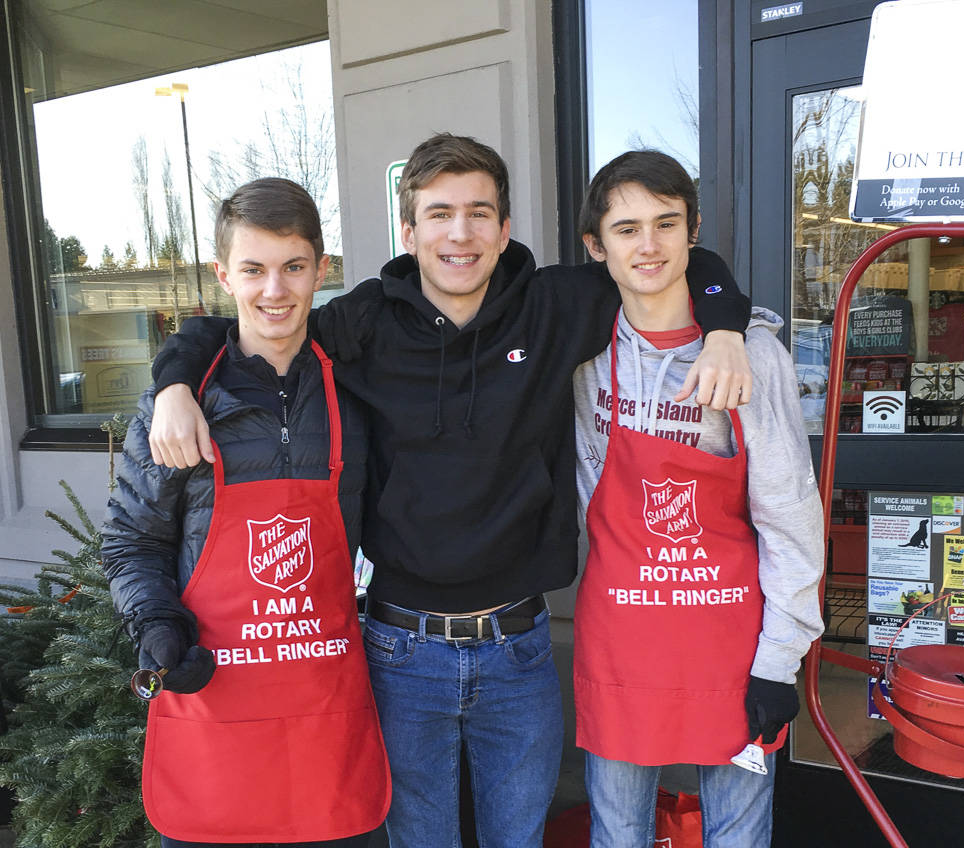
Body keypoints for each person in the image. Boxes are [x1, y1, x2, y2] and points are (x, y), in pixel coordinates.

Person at [144, 134, 753, 848]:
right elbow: (249, 319)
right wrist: (173, 383)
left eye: (478, 213)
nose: (458, 233)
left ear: (503, 228)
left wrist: (725, 331)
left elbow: (676, 259)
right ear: (409, 231)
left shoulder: (555, 306)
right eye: (438, 214)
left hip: (519, 649)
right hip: (402, 653)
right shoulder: (363, 321)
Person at [101, 178, 390, 848]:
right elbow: (131, 541)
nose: (275, 291)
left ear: (322, 270)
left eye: (293, 267)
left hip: (329, 725)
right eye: (254, 269)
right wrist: (158, 628)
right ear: (223, 273)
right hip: (214, 717)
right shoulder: (182, 405)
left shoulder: (356, 389)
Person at [571, 150, 825, 847]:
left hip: (732, 644)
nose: (647, 246)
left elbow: (792, 520)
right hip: (621, 641)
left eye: (665, 224)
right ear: (596, 245)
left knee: (737, 836)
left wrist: (780, 662)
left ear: (694, 231)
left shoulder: (751, 357)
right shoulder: (580, 349)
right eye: (626, 229)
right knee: (617, 833)